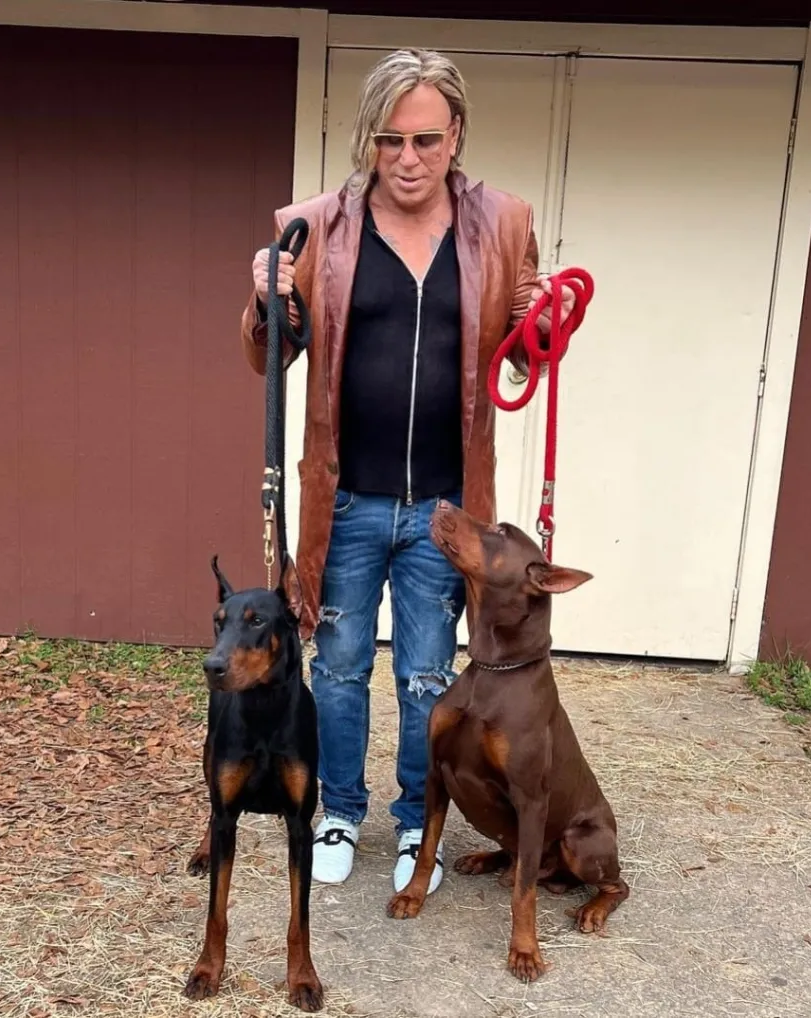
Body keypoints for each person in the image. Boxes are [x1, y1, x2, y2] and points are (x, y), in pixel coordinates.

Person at [239, 48, 575, 894]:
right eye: (390, 141)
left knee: (428, 672)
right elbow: (264, 356)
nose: (409, 158)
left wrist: (542, 315)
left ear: (456, 133)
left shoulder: (501, 222)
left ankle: (415, 824)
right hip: (344, 500)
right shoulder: (315, 224)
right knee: (341, 665)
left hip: (445, 512)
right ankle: (341, 812)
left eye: (426, 139)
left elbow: (525, 337)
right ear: (369, 140)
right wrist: (263, 301)